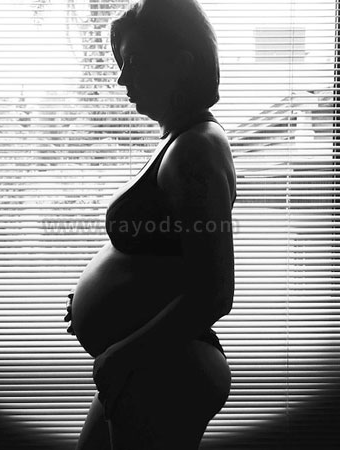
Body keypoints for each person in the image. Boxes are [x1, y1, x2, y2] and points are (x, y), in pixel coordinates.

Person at [64, 1, 236, 448]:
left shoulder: (194, 150)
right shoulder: (182, 140)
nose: (122, 80)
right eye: (121, 65)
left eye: (135, 62)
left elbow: (214, 292)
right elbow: (163, 261)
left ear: (182, 63)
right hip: (147, 365)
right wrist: (99, 303)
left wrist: (122, 354)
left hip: (163, 370)